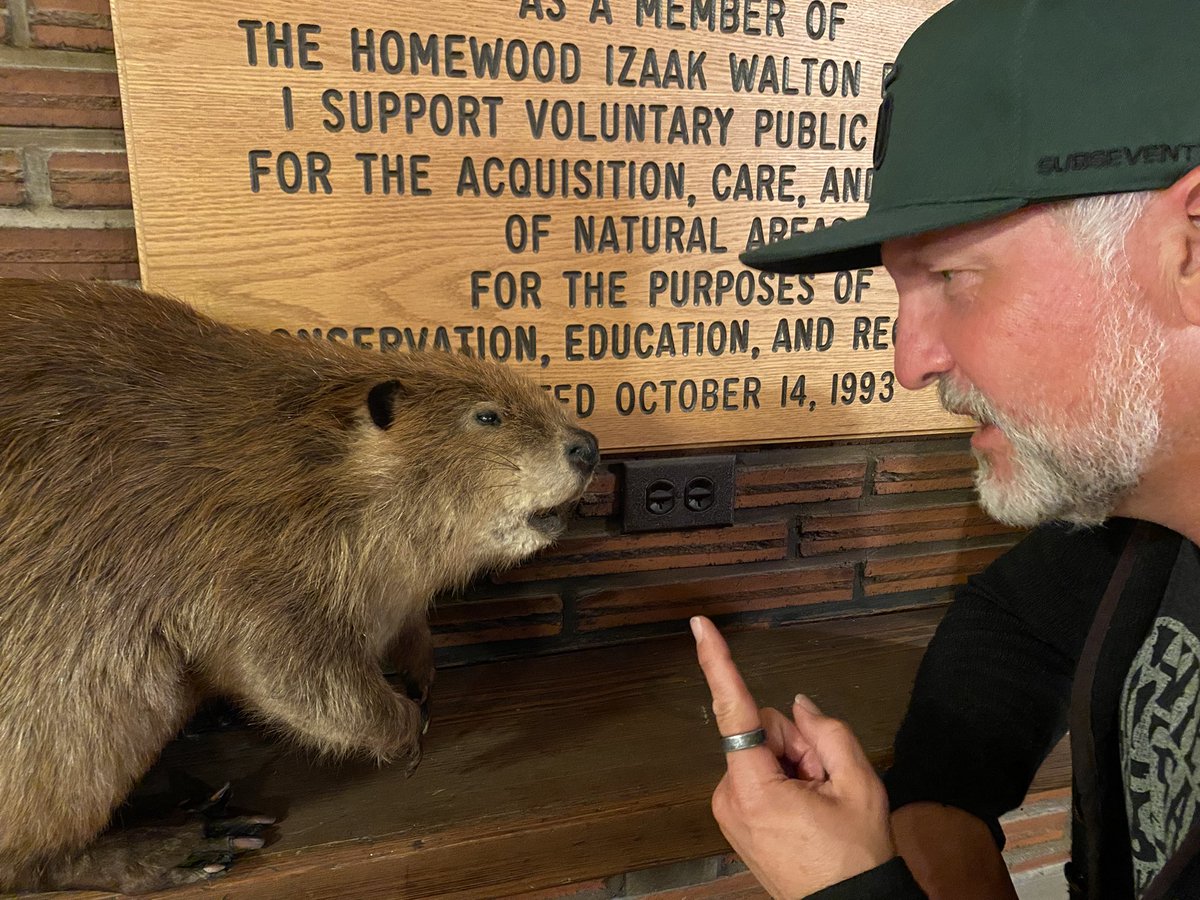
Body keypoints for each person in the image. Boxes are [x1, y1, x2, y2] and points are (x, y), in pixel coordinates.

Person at [690, 0, 1200, 897]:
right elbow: (1015, 618)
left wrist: (852, 887)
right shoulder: (1152, 526)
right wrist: (942, 809)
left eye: (953, 278)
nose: (910, 363)